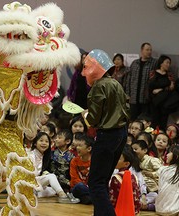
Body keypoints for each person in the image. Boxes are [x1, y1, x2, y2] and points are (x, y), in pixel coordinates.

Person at [81, 49, 129, 216]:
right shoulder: (116, 83)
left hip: (107, 136)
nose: (83, 72)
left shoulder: (98, 87)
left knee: (96, 184)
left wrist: (86, 115)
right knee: (103, 181)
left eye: (86, 67)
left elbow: (93, 119)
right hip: (121, 134)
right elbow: (126, 108)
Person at [28, 131, 79, 203]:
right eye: (41, 140)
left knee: (53, 190)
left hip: (40, 182)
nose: (44, 143)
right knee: (51, 176)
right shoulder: (31, 155)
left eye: (46, 141)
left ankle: (32, 193)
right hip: (29, 181)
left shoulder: (45, 155)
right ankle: (63, 196)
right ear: (35, 143)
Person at [126, 42, 157, 120]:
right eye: (147, 50)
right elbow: (129, 80)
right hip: (133, 98)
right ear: (142, 50)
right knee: (132, 120)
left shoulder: (154, 63)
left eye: (150, 50)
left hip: (146, 99)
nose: (149, 52)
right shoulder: (134, 63)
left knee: (144, 121)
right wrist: (127, 94)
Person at [109, 145, 141, 215]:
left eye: (118, 158)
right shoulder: (134, 176)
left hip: (120, 211)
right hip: (134, 211)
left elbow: (113, 198)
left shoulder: (116, 177)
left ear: (126, 164)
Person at [131, 140, 163, 211]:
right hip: (143, 190)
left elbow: (162, 171)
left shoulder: (152, 160)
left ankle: (149, 206)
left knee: (154, 196)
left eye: (135, 149)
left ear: (145, 150)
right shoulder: (136, 162)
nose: (133, 151)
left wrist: (152, 174)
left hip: (154, 190)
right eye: (132, 149)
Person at [148, 55, 175, 129]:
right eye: (167, 62)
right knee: (154, 122)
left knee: (163, 122)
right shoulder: (153, 73)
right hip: (154, 101)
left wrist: (161, 89)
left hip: (165, 101)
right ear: (161, 63)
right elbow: (148, 86)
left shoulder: (169, 74)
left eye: (169, 63)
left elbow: (172, 87)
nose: (168, 65)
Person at [155, 145, 179, 216]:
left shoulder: (164, 169)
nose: (166, 155)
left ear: (177, 156)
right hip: (173, 209)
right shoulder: (164, 170)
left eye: (169, 152)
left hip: (160, 209)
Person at [70, 133, 93, 204]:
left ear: (89, 149)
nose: (77, 148)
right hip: (77, 188)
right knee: (80, 186)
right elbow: (74, 178)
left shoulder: (95, 161)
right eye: (77, 146)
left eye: (80, 146)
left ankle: (86, 199)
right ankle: (92, 198)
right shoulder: (74, 161)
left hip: (89, 188)